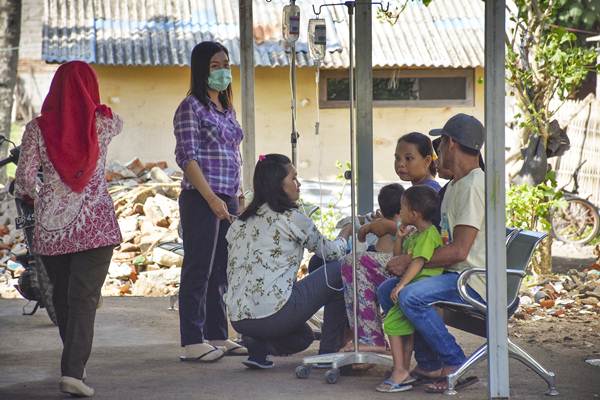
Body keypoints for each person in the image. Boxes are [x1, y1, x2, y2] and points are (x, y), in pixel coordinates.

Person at [14, 61, 123, 397]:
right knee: (84, 298)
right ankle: (73, 370)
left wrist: (44, 197)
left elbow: (23, 182)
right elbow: (119, 122)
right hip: (96, 226)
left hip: (52, 229)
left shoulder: (35, 129)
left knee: (63, 298)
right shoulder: (105, 123)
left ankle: (75, 364)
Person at [387, 113, 486, 393]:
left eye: (438, 144)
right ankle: (429, 364)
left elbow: (459, 250)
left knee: (409, 295)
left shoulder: (474, 186)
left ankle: (455, 363)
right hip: (453, 274)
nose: (437, 150)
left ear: (450, 143)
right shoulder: (456, 184)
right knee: (388, 291)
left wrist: (409, 260)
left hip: (472, 280)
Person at [224, 154, 352, 369]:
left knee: (303, 337)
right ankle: (329, 353)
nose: (299, 184)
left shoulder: (239, 223)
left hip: (239, 320)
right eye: (294, 178)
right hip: (274, 315)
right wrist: (345, 233)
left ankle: (258, 348)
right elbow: (330, 253)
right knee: (342, 270)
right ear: (278, 185)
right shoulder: (292, 218)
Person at [174, 41, 246, 362]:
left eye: (225, 64)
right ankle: (192, 340)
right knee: (198, 268)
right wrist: (212, 198)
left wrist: (237, 196)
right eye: (215, 66)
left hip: (228, 196)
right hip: (201, 197)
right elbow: (187, 158)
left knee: (221, 271)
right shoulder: (191, 107)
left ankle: (219, 335)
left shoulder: (226, 110)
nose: (222, 71)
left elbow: (234, 154)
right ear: (201, 69)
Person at [341, 132, 440, 352]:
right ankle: (358, 337)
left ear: (427, 161)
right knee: (351, 264)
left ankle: (370, 337)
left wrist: (389, 227)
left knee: (354, 263)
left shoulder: (429, 193)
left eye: (408, 158)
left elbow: (424, 233)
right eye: (397, 158)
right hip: (408, 259)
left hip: (419, 267)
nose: (401, 164)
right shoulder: (415, 191)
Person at [374, 186, 443, 393]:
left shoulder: (429, 235)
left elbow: (417, 262)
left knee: (392, 324)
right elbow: (397, 257)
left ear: (414, 214)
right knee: (404, 330)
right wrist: (401, 237)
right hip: (413, 284)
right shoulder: (415, 233)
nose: (399, 211)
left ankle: (400, 370)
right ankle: (401, 369)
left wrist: (401, 285)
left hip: (418, 287)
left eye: (402, 208)